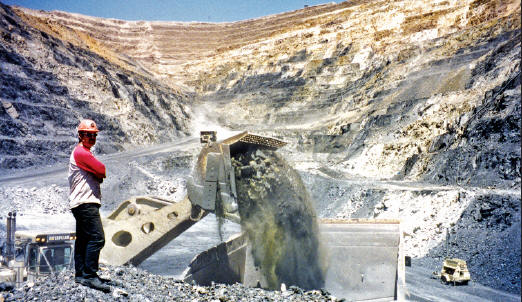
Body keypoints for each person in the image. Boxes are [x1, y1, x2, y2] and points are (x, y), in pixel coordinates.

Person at [68, 119, 110, 292]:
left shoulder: (83, 152)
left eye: (93, 135)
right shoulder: (82, 153)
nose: (91, 137)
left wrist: (97, 175)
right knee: (97, 238)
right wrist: (97, 174)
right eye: (88, 134)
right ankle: (90, 276)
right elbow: (101, 170)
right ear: (80, 135)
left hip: (79, 202)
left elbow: (98, 174)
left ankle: (81, 274)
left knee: (84, 239)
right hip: (85, 202)